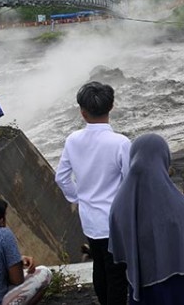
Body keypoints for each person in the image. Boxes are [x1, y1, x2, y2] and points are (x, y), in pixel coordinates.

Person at [109, 133, 184, 304]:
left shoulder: (120, 205)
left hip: (145, 293)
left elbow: (118, 254)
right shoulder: (178, 205)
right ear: (165, 158)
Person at [55, 82, 131, 305]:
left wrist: (78, 197)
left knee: (99, 266)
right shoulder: (121, 143)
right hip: (115, 221)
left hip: (89, 219)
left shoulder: (72, 140)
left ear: (82, 111)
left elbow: (61, 177)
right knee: (117, 274)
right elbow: (130, 182)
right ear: (112, 106)